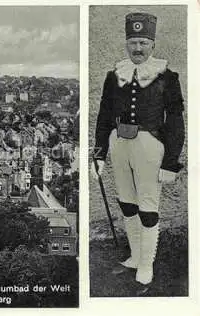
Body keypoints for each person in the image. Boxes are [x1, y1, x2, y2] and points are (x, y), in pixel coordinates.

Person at [91, 12, 185, 295]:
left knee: (147, 207)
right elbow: (104, 115)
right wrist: (99, 153)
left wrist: (170, 162)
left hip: (150, 147)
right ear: (126, 44)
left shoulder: (167, 77)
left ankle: (147, 264)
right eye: (133, 42)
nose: (138, 49)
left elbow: (176, 122)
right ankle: (134, 256)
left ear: (152, 44)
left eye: (143, 42)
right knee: (127, 204)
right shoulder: (113, 76)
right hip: (119, 143)